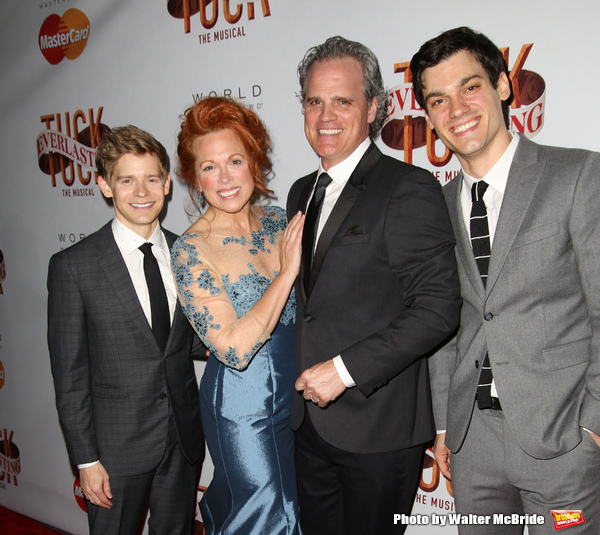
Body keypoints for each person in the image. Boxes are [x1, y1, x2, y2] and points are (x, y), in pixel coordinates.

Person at [410, 26, 600, 533]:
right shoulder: (436, 208)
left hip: (562, 442)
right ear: (428, 117)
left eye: (470, 87)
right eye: (438, 99)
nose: (456, 109)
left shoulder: (577, 175)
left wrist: (593, 427)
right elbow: (445, 324)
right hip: (474, 447)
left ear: (502, 86)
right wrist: (446, 426)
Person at [286, 36, 461, 535]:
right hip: (307, 424)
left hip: (378, 428)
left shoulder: (408, 187)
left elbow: (437, 308)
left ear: (373, 109)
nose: (326, 116)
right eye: (315, 101)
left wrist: (344, 371)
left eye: (343, 101)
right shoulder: (301, 191)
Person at [47, 125, 204, 534]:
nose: (141, 192)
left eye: (152, 178)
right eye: (126, 180)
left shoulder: (189, 252)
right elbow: (69, 377)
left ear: (167, 184)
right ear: (104, 186)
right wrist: (86, 459)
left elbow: (192, 341)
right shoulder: (73, 267)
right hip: (115, 449)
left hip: (183, 439)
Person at [171, 96, 304, 535]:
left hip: (300, 398)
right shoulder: (192, 250)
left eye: (235, 161)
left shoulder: (279, 221)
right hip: (242, 407)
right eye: (209, 167)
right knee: (263, 515)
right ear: (194, 176)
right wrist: (285, 276)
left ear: (255, 162)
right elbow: (232, 348)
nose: (224, 178)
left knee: (300, 509)